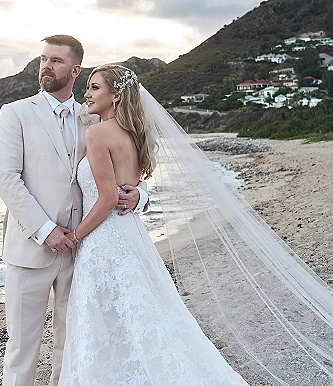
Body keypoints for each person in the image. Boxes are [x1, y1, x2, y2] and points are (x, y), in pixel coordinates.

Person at [58, 64, 249, 385]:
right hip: (130, 235)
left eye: (94, 88)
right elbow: (131, 186)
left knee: (106, 320)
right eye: (87, 87)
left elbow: (106, 199)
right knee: (143, 313)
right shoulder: (134, 134)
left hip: (104, 240)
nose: (86, 94)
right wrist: (139, 196)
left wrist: (75, 235)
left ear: (116, 95)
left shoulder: (97, 133)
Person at [0, 36, 147, 386]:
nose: (46, 66)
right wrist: (46, 229)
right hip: (32, 248)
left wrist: (139, 197)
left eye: (56, 61)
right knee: (22, 347)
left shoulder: (93, 118)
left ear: (75, 69)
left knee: (72, 342)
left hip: (83, 250)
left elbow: (127, 172)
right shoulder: (15, 113)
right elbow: (6, 179)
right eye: (43, 59)